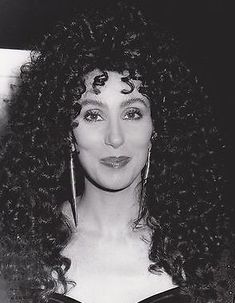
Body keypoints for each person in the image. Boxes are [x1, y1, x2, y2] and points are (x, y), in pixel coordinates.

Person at [0, 2, 234, 303]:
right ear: (66, 131)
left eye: (132, 113)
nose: (114, 137)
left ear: (157, 125)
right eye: (93, 115)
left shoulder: (210, 256)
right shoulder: (14, 252)